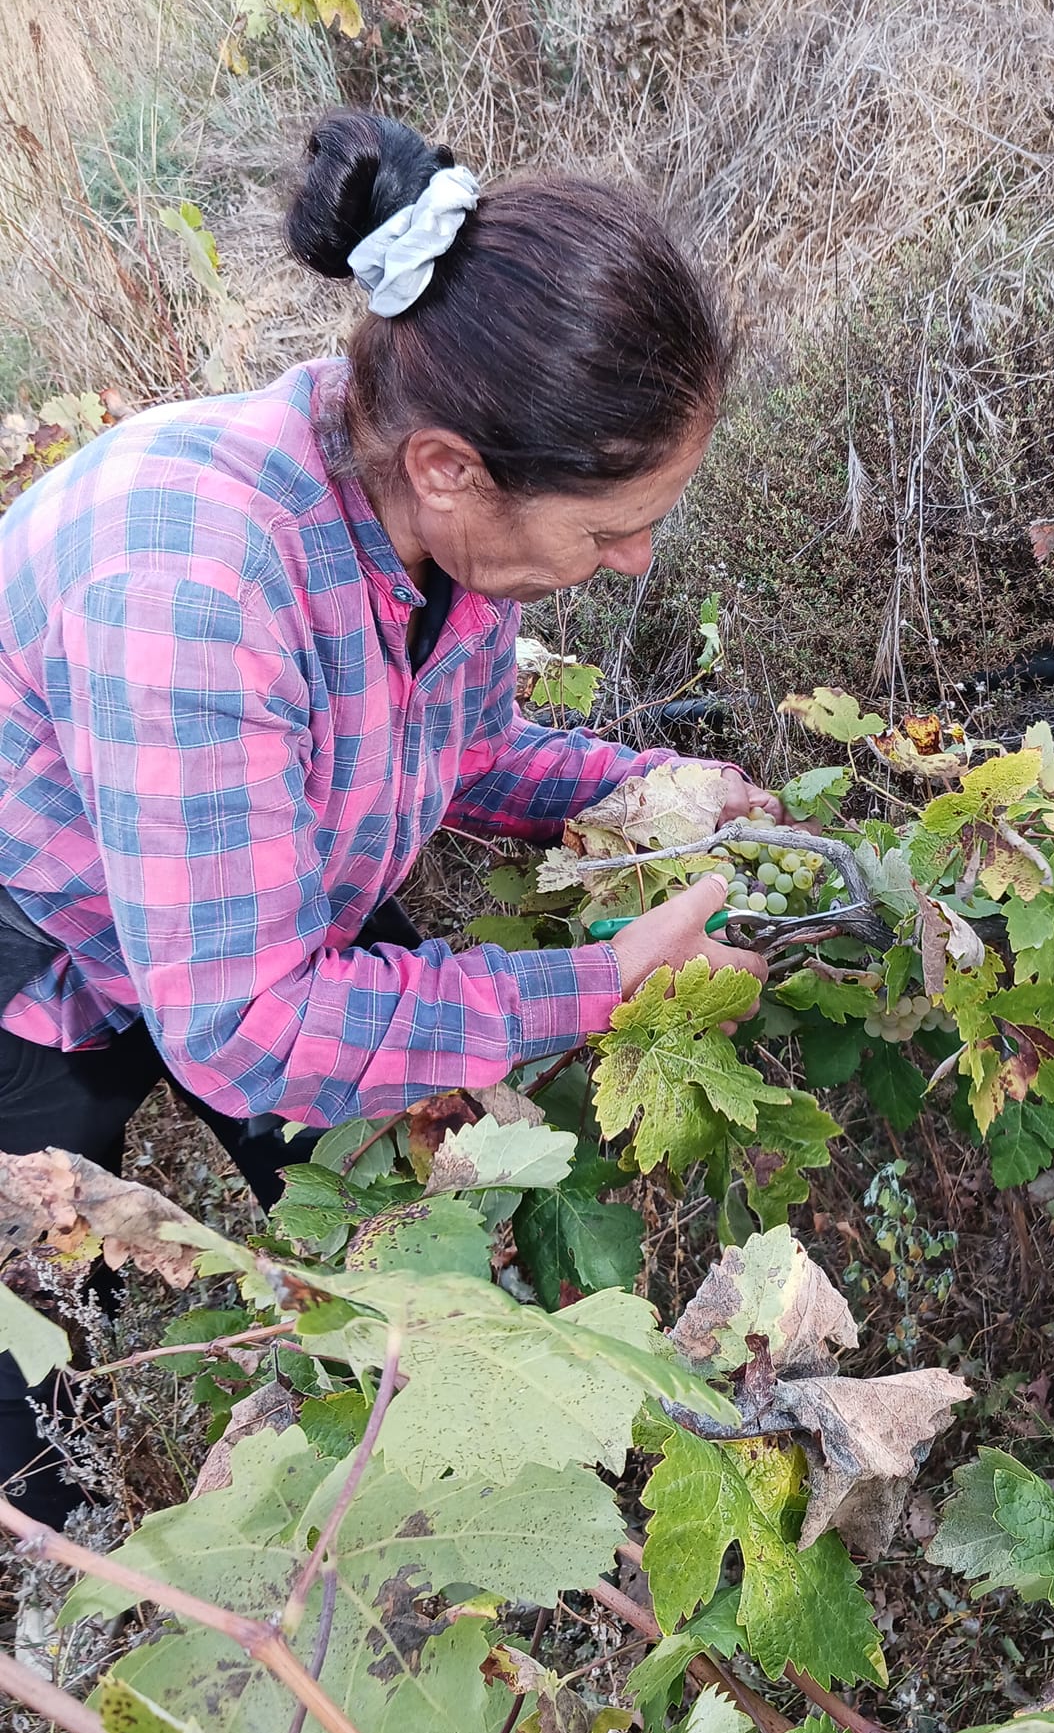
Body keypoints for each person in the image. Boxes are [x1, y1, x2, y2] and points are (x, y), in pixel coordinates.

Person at [0, 109, 774, 1524]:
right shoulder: (200, 590)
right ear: (448, 468)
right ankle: (77, 1596)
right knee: (41, 1342)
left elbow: (461, 747)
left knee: (413, 1244)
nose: (637, 557)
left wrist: (642, 795)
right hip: (35, 946)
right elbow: (243, 1028)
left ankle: (460, 1503)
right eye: (608, 530)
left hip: (258, 911)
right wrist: (598, 986)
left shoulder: (431, 525)